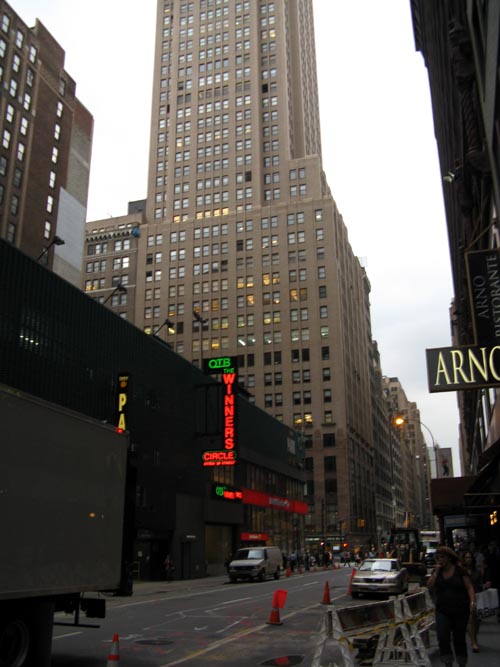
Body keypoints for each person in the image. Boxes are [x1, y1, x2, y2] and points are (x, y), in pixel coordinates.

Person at [426, 546, 476, 667]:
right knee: (442, 636)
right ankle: (448, 662)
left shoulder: (460, 571)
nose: (440, 560)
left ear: (448, 558)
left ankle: (461, 662)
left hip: (460, 609)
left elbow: (469, 587)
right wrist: (436, 572)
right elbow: (429, 586)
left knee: (459, 638)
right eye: (437, 558)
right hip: (443, 609)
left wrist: (472, 602)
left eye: (442, 557)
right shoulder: (437, 572)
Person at [462, 551, 482, 653]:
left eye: (469, 557)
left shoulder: (477, 571)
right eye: (466, 557)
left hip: (477, 596)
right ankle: (474, 642)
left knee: (477, 620)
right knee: (470, 619)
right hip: (465, 597)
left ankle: (474, 637)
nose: (468, 559)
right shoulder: (462, 571)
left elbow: (480, 584)